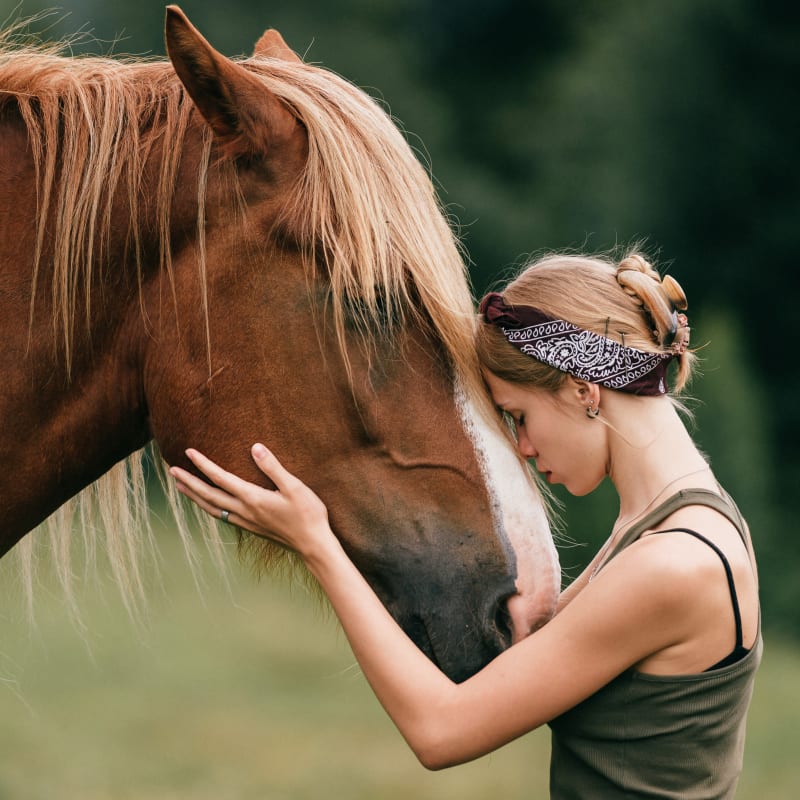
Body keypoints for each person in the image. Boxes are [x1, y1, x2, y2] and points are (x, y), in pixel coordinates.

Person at [170, 251, 761, 799]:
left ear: (584, 389)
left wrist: (319, 545)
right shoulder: (683, 523)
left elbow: (441, 730)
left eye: (518, 416)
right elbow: (525, 662)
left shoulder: (671, 565)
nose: (523, 446)